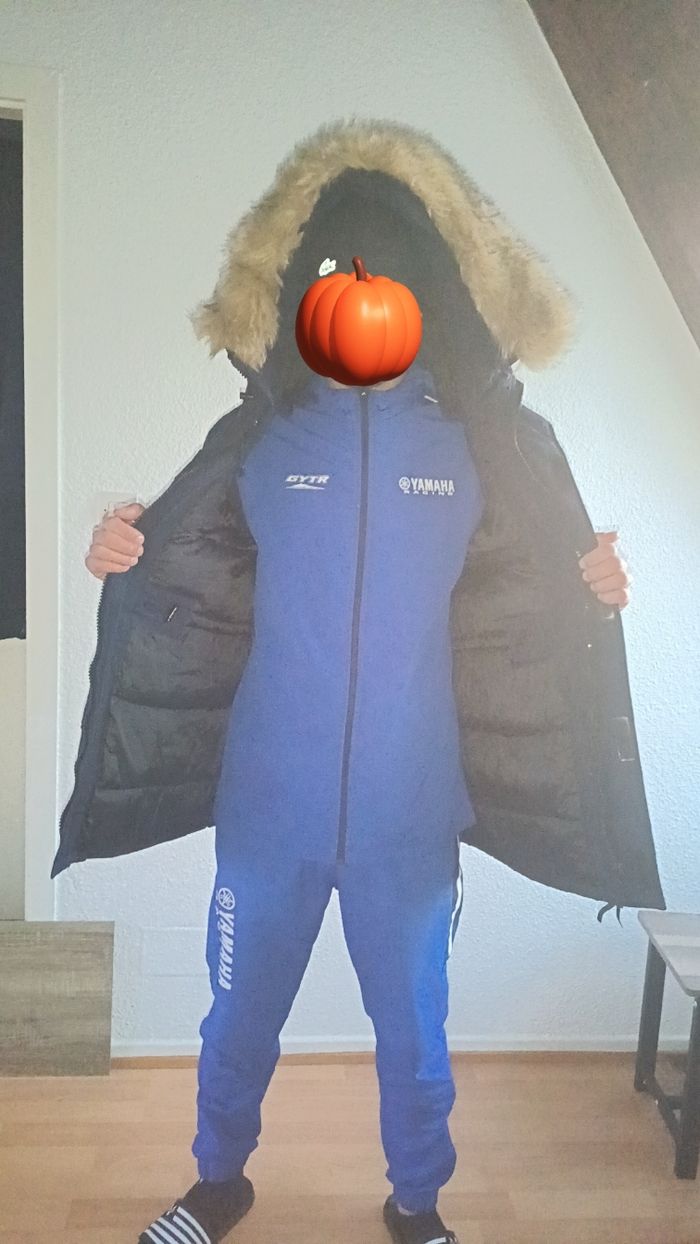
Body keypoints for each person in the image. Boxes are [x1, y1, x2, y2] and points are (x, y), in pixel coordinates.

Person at [56, 118, 664, 1244]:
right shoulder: (262, 439)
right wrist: (117, 545)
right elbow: (182, 561)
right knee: (237, 1019)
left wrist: (595, 581)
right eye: (337, 271)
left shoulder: (478, 447)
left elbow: (538, 588)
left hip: (409, 813)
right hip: (267, 809)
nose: (362, 292)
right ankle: (218, 1184)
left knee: (415, 1037)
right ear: (300, 292)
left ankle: (416, 1203)